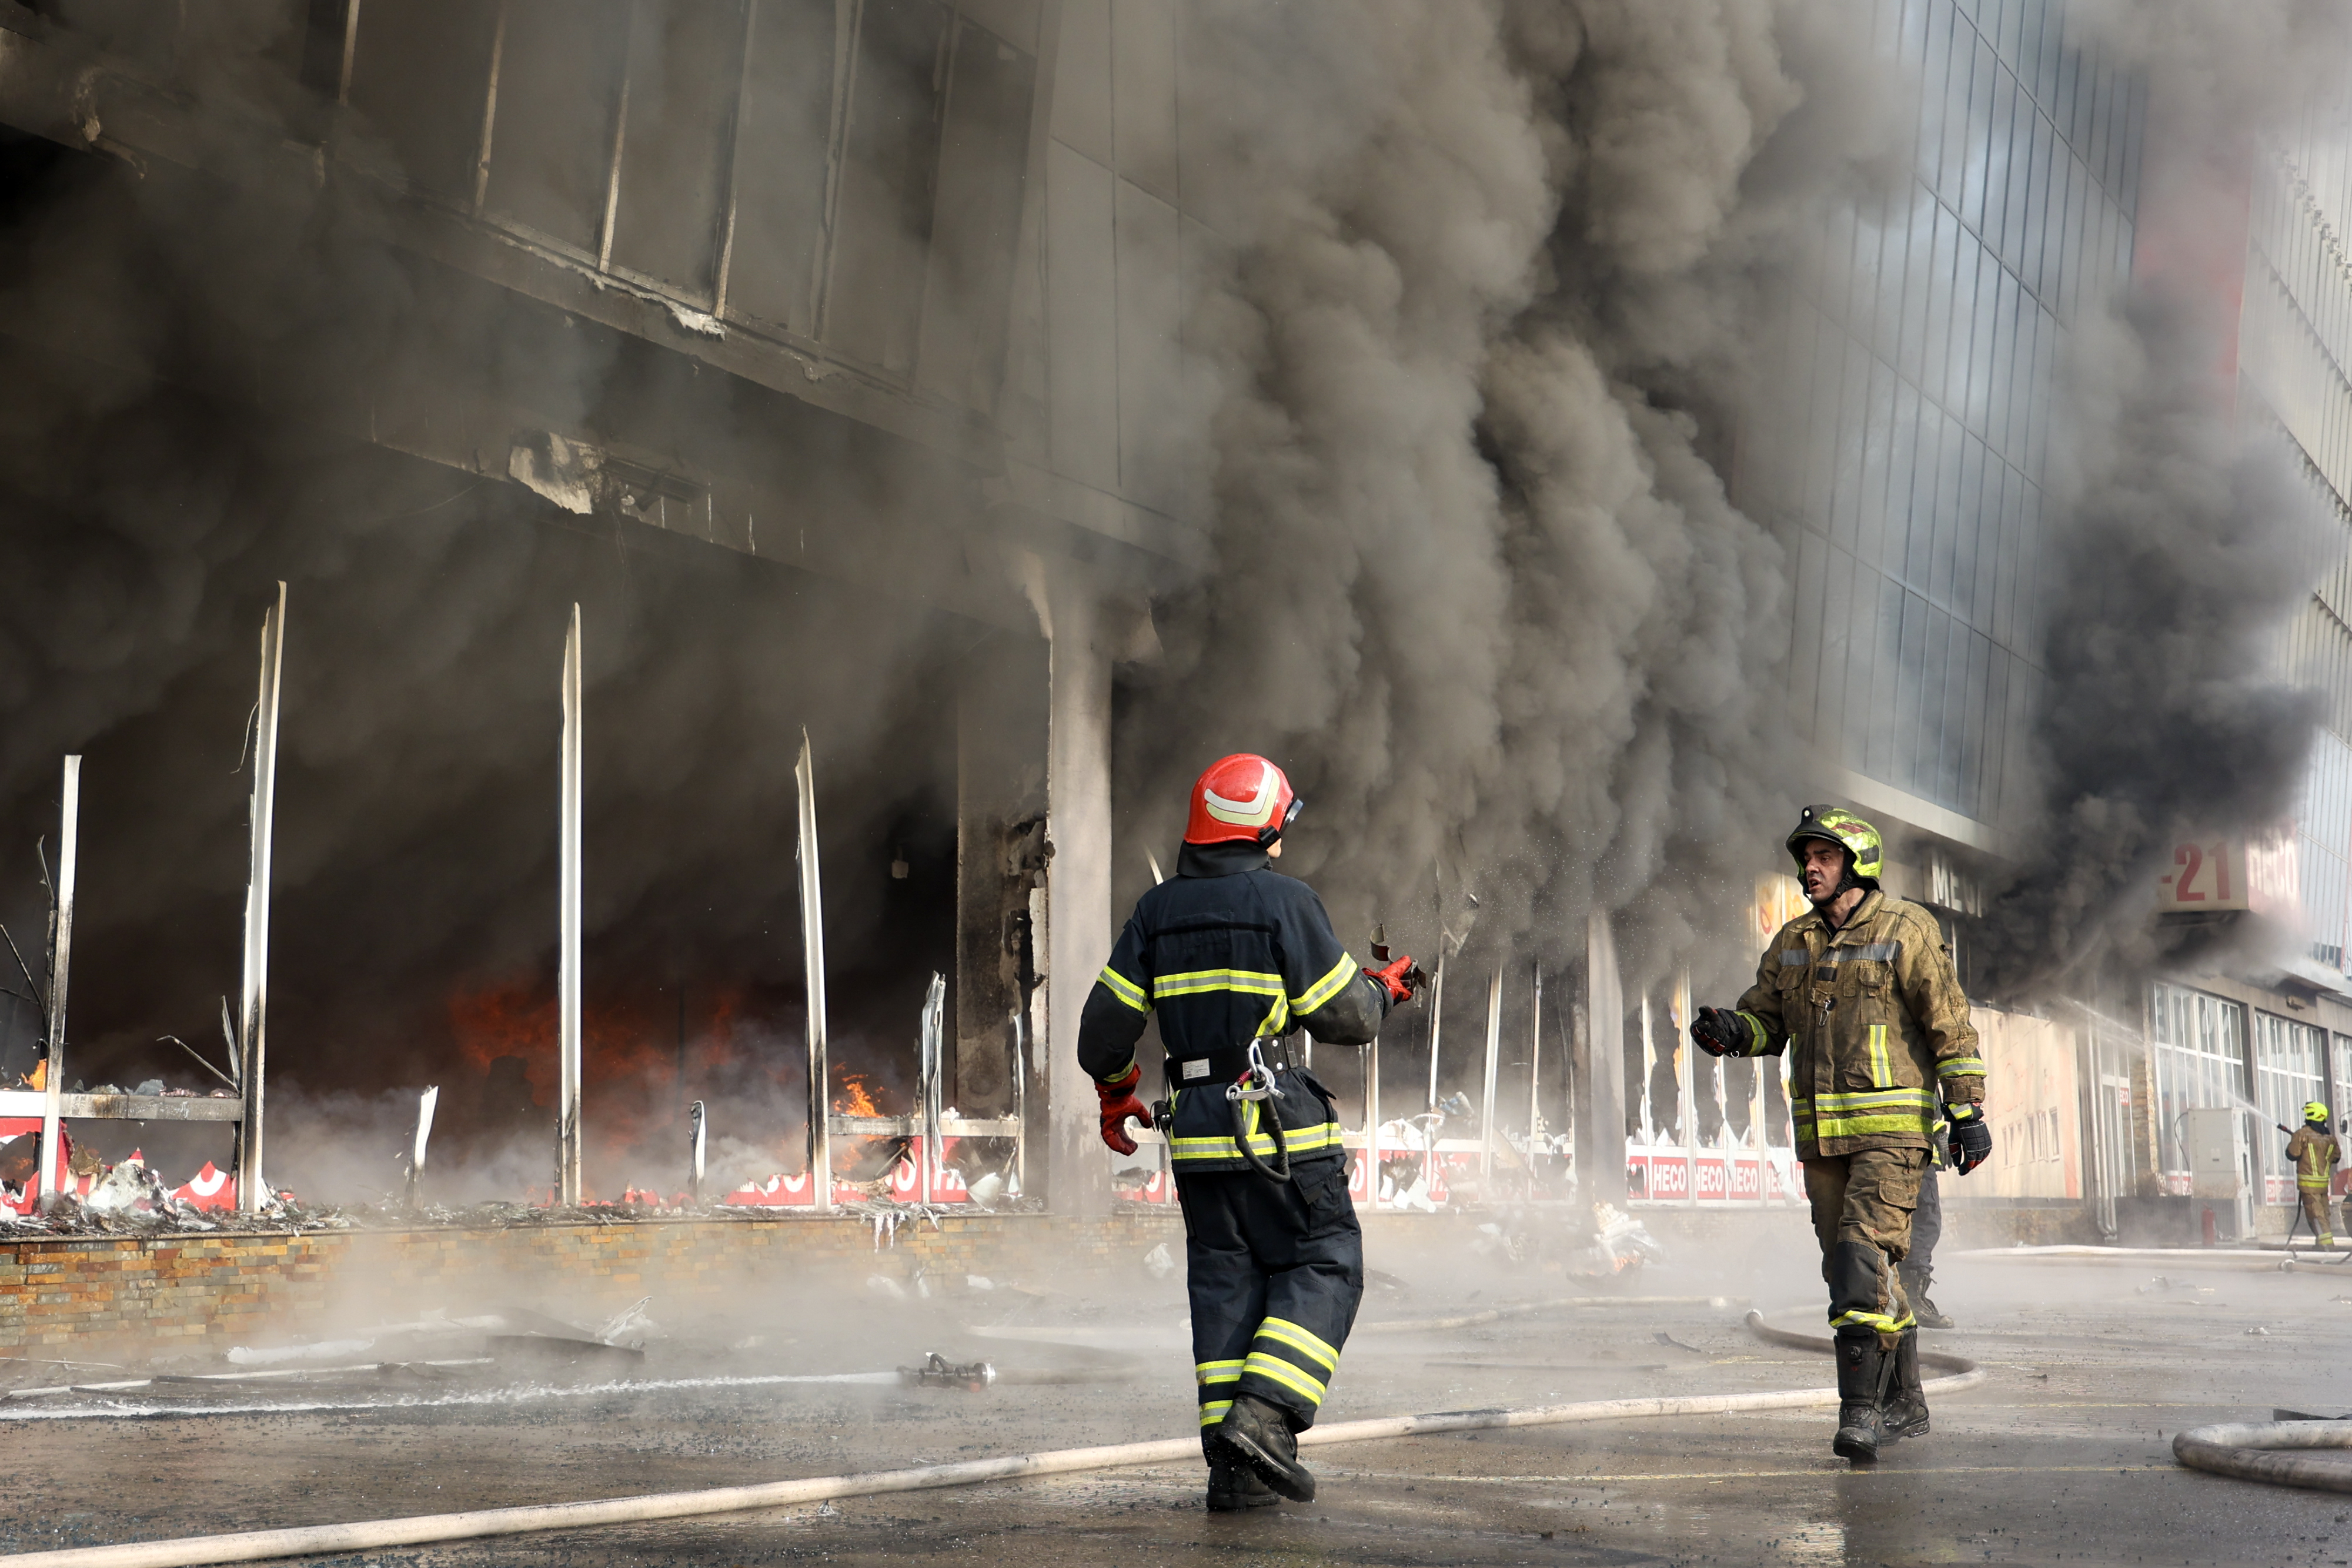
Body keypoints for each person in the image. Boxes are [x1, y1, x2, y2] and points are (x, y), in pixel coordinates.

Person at [1076, 754, 1422, 1511]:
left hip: (1196, 1136)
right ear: (1261, 827)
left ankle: (1232, 1473)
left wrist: (1117, 1095)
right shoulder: (1284, 902)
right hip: (1273, 1123)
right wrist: (1385, 990)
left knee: (1226, 1284)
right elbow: (1348, 1018)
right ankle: (1265, 1417)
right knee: (1325, 1259)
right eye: (1280, 826)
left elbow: (1101, 1036)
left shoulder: (1153, 913)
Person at [1689, 805, 1990, 1463]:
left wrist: (1967, 1111)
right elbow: (1768, 1022)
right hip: (1822, 1140)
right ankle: (1906, 1399)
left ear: (1857, 862)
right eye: (1805, 857)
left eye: (1823, 856)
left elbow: (1950, 1025)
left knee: (1860, 1257)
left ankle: (1860, 1415)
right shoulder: (1792, 942)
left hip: (1891, 1137)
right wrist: (1735, 1032)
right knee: (1853, 1272)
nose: (1809, 868)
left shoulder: (1906, 928)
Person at [2286, 1102, 2341, 1249]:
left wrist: (2296, 1140)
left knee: (2315, 1215)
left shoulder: (2302, 1134)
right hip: (2323, 1185)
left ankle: (2327, 1247)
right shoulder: (2331, 1139)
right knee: (2324, 1214)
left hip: (2308, 1185)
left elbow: (2292, 1154)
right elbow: (2336, 1158)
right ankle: (2322, 1245)